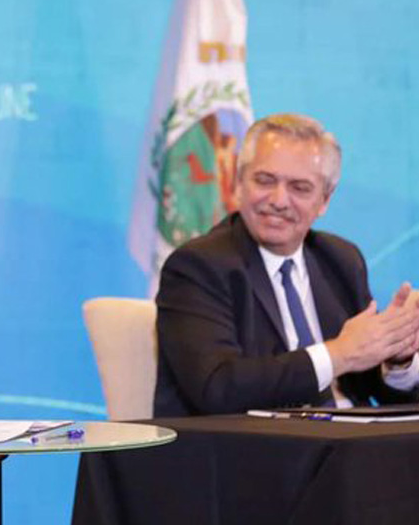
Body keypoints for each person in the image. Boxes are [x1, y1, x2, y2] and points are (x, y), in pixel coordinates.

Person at [154, 113, 419, 417]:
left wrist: (396, 355)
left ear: (325, 200)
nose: (279, 200)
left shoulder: (340, 260)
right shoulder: (198, 266)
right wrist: (338, 353)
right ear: (238, 182)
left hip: (348, 437)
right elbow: (218, 388)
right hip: (253, 442)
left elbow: (369, 382)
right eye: (265, 180)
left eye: (300, 188)